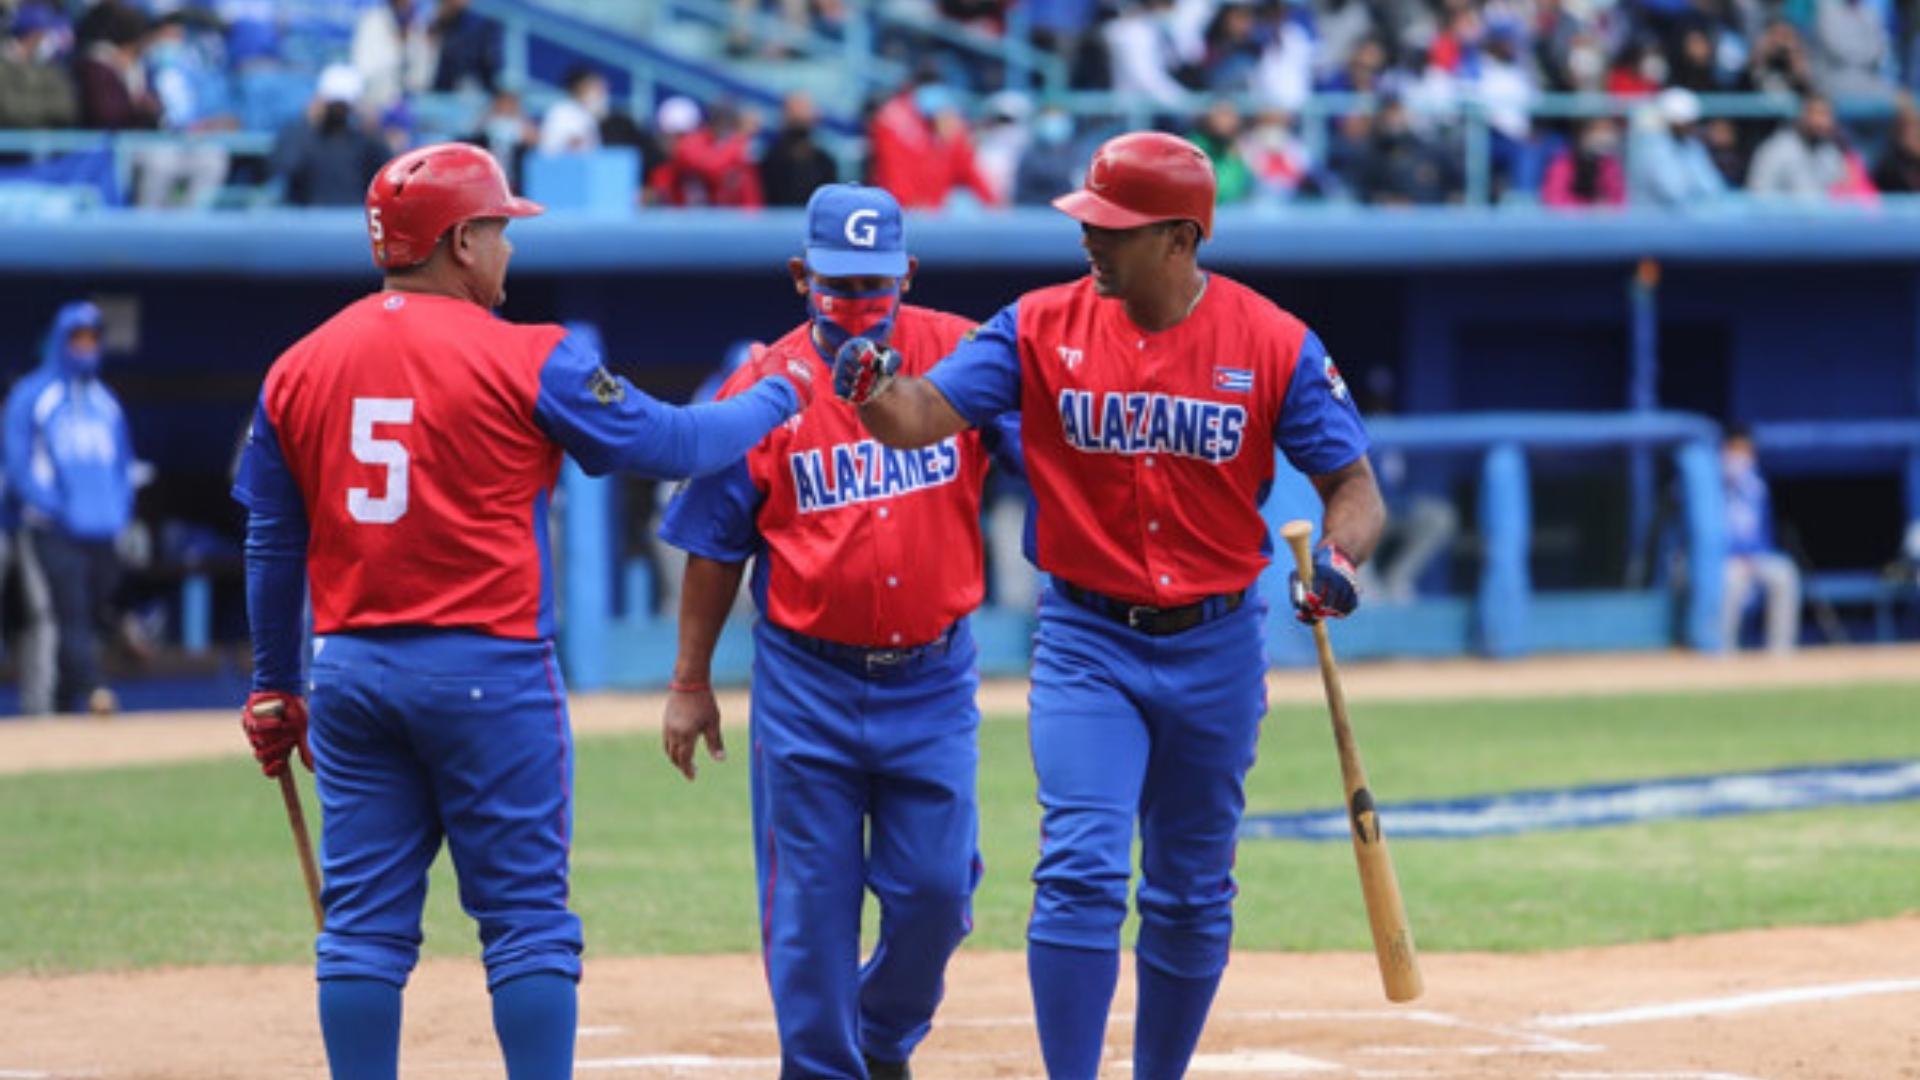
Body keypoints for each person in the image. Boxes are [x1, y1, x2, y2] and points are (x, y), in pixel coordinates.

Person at [230, 143, 813, 1080]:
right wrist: (784, 394)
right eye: (499, 231)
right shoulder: (529, 353)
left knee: (362, 932)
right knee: (527, 923)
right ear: (459, 241)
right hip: (488, 674)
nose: (508, 251)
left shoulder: (298, 364)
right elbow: (671, 442)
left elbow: (271, 537)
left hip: (350, 674)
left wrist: (273, 686)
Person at [831, 132, 1385, 1080]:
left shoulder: (1273, 341)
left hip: (1216, 647)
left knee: (1190, 893)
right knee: (1081, 870)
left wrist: (1334, 561)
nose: (1090, 239)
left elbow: (1356, 489)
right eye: (1088, 219)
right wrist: (875, 390)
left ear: (1179, 237)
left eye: (1114, 226)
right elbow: (920, 415)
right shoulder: (1039, 324)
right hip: (1088, 640)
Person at [657, 183, 1021, 1080]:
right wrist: (690, 679)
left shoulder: (964, 357)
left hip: (932, 677)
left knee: (937, 894)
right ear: (799, 276)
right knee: (809, 910)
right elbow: (713, 546)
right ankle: (823, 1067)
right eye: (839, 282)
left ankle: (884, 1038)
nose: (859, 300)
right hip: (806, 682)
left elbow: (1048, 461)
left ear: (908, 271)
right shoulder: (763, 384)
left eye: (875, 280)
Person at [4, 300, 135, 716]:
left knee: (94, 614)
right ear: (61, 341)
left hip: (102, 531)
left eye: (92, 338)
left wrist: (118, 510)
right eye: (77, 338)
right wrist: (53, 507)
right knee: (63, 613)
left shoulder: (106, 402)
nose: (85, 346)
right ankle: (90, 689)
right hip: (51, 529)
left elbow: (123, 465)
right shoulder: (32, 396)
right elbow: (19, 464)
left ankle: (66, 704)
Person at [1719, 427, 1800, 654]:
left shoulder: (1756, 486)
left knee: (1784, 573)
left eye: (1746, 451)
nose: (1740, 457)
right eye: (1735, 450)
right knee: (1730, 580)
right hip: (1725, 560)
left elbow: (1764, 532)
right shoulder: (1712, 485)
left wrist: (1755, 556)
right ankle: (1724, 650)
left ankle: (1780, 649)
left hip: (1756, 556)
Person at [270, 65, 389, 207]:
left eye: (343, 106)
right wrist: (307, 122)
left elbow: (385, 173)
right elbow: (286, 168)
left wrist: (372, 126)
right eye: (334, 105)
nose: (338, 111)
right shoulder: (301, 136)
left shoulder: (364, 141)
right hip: (307, 219)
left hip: (354, 218)